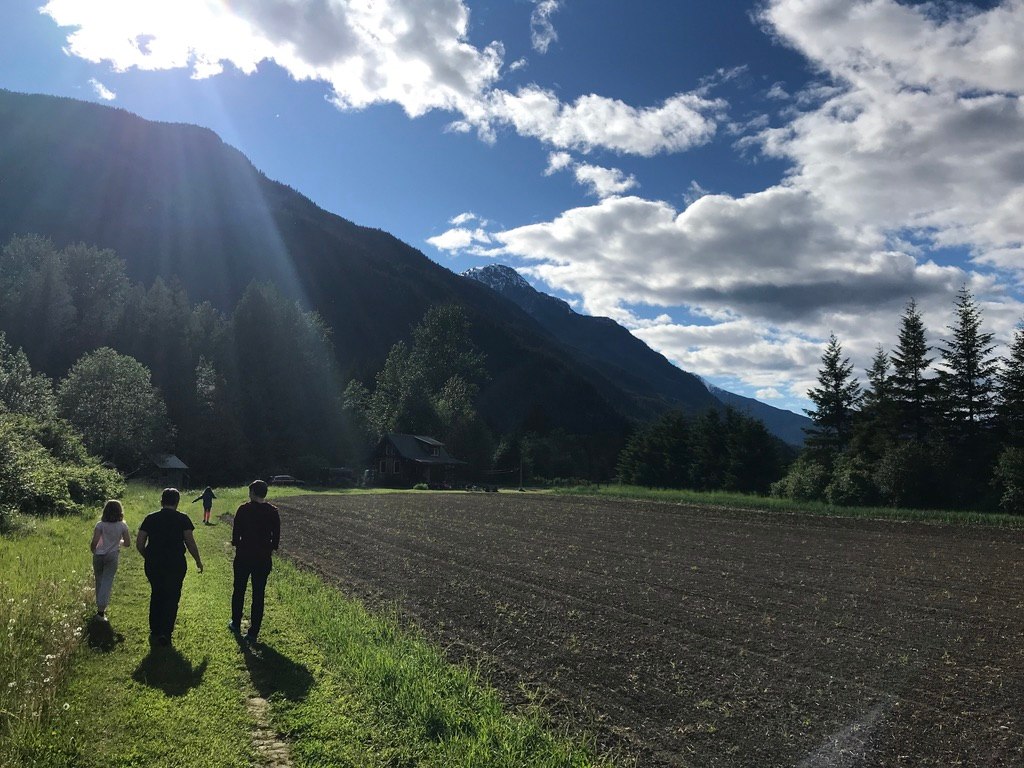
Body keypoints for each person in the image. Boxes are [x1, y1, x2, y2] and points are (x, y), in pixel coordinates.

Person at [137, 488, 203, 646]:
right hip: (175, 563)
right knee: (172, 596)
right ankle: (166, 631)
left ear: (161, 501)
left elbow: (139, 543)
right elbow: (190, 543)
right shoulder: (183, 519)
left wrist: (148, 557)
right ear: (177, 502)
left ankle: (155, 628)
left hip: (154, 563)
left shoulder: (150, 518)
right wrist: (198, 560)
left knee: (157, 592)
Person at [228, 479, 280, 645]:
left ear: (252, 493)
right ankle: (253, 632)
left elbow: (236, 534)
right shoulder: (273, 512)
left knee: (239, 589)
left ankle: (236, 623)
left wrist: (237, 543)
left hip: (244, 556)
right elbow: (276, 539)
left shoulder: (243, 509)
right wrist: (269, 547)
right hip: (263, 558)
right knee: (258, 594)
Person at [89, 499, 131, 621]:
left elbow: (94, 542)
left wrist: (94, 550)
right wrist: (119, 542)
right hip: (112, 555)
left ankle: (99, 606)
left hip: (99, 554)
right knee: (107, 580)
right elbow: (127, 543)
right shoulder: (122, 526)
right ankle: (101, 610)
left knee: (99, 580)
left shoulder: (100, 525)